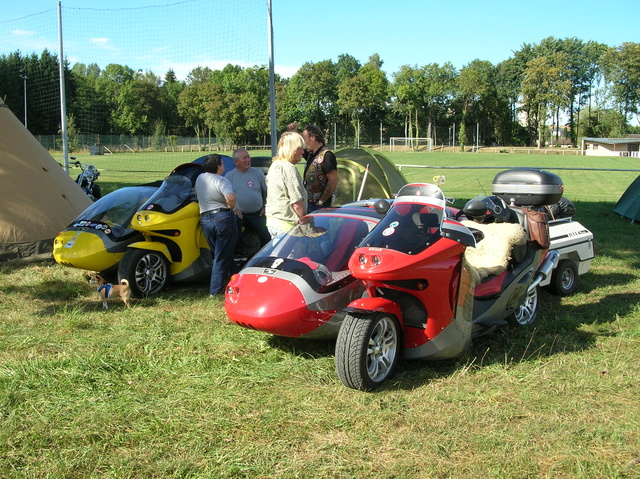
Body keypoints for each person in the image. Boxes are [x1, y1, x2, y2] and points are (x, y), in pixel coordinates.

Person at [194, 154, 238, 297]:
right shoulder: (222, 180)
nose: (224, 166)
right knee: (221, 256)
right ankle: (215, 291)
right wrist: (231, 205)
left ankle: (237, 280)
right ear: (218, 167)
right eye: (223, 164)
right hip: (222, 218)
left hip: (205, 219)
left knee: (224, 253)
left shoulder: (200, 178)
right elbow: (230, 198)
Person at [225, 148, 271, 256]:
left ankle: (264, 255)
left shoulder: (258, 174)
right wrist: (234, 209)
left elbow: (267, 192)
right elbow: (226, 197)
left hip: (257, 213)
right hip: (239, 214)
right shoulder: (229, 176)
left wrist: (265, 206)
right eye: (244, 158)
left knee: (267, 235)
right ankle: (240, 255)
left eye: (248, 157)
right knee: (233, 232)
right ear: (236, 162)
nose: (248, 160)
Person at [265, 131, 308, 237]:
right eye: (299, 148)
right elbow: (296, 202)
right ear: (291, 150)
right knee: (291, 254)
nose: (303, 152)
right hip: (287, 224)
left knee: (277, 253)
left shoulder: (275, 165)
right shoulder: (289, 168)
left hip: (273, 222)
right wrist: (305, 221)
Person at [302, 125, 338, 213]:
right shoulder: (311, 155)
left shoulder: (327, 156)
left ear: (313, 138)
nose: (303, 143)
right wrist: (294, 131)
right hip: (309, 203)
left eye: (305, 139)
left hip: (320, 206)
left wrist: (321, 201)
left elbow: (333, 181)